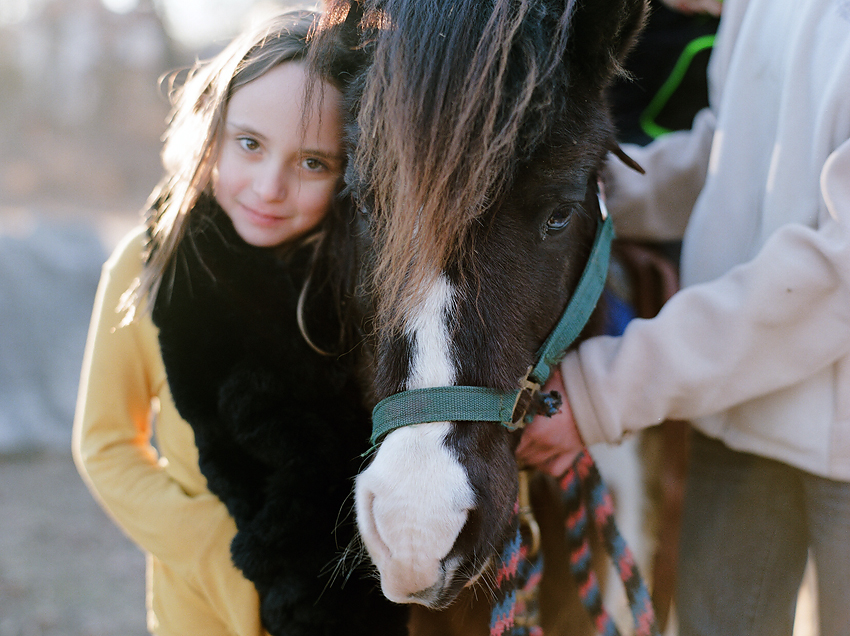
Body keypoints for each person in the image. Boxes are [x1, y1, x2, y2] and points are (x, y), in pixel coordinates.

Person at [516, 0, 850, 634]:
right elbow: (725, 156)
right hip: (738, 412)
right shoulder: (758, 13)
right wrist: (579, 193)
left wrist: (602, 390)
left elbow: (834, 273)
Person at [72, 11, 407, 636]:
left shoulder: (367, 283)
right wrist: (215, 548)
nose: (269, 187)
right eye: (249, 144)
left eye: (314, 164)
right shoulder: (148, 265)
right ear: (212, 131)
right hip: (206, 611)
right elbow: (105, 444)